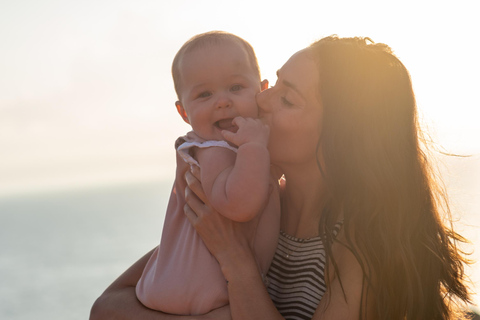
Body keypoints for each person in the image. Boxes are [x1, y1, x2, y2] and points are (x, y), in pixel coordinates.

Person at [90, 35, 471, 320]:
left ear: (340, 133)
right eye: (273, 84)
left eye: (287, 99)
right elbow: (107, 307)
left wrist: (235, 261)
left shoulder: (363, 244)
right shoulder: (251, 204)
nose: (261, 101)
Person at [135, 31, 280, 315]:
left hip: (177, 286)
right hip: (199, 291)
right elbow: (239, 205)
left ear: (261, 91)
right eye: (204, 94)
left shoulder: (231, 147)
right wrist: (254, 146)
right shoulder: (214, 150)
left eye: (236, 87)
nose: (222, 101)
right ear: (184, 112)